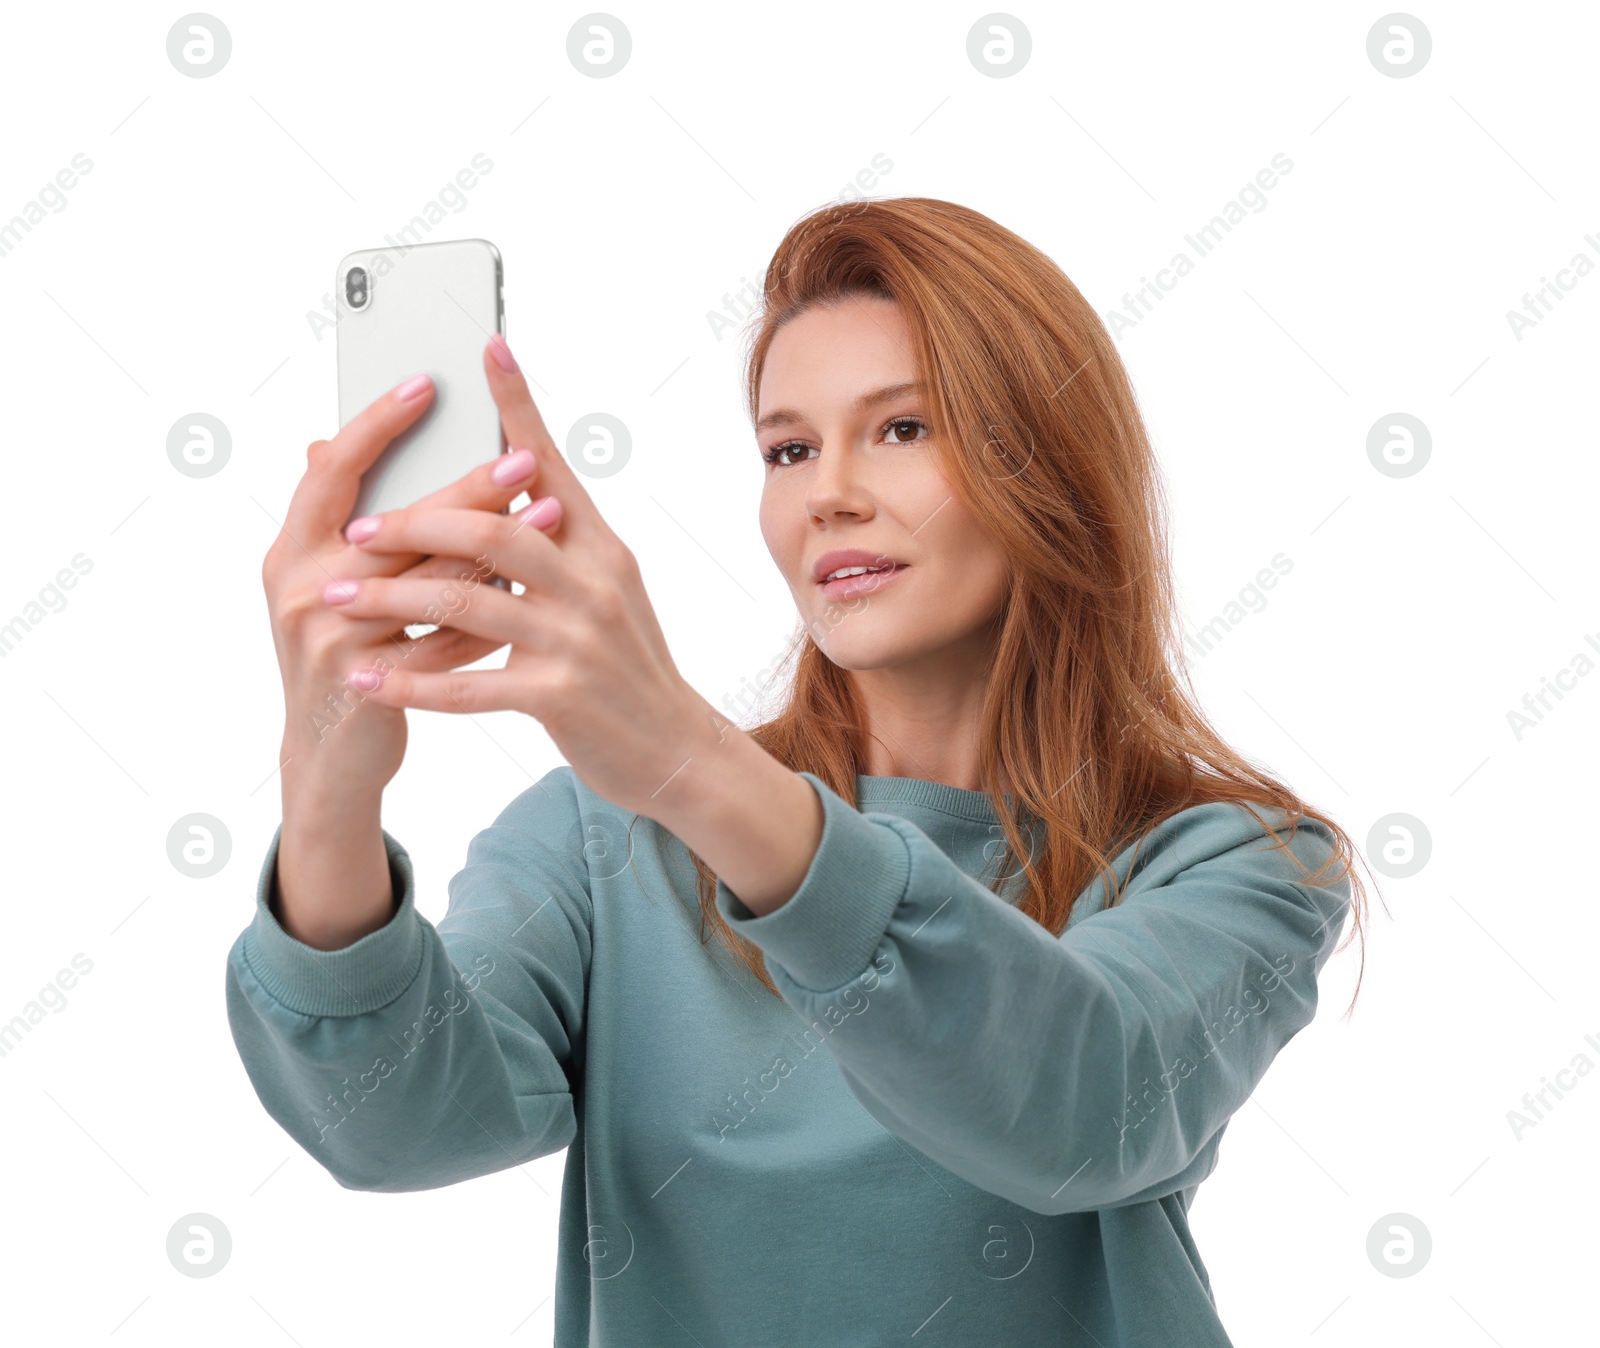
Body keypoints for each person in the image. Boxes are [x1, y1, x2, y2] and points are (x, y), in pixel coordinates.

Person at [226, 196, 1369, 1346]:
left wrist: (689, 762)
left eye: (904, 428)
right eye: (789, 447)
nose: (828, 491)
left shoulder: (1238, 858)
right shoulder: (602, 834)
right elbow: (394, 1123)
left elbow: (1081, 1107)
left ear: (1053, 463)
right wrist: (328, 786)